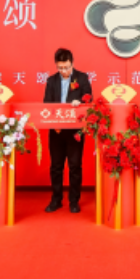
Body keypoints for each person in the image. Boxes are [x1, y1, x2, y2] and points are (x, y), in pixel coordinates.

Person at [43, 48, 93, 214]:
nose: (64, 71)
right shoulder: (51, 81)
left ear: (72, 63)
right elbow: (47, 104)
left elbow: (89, 98)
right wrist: (54, 123)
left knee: (75, 166)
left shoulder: (82, 78)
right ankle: (56, 199)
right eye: (60, 68)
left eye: (66, 67)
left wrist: (80, 101)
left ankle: (74, 201)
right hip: (56, 130)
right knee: (56, 167)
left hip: (75, 131)